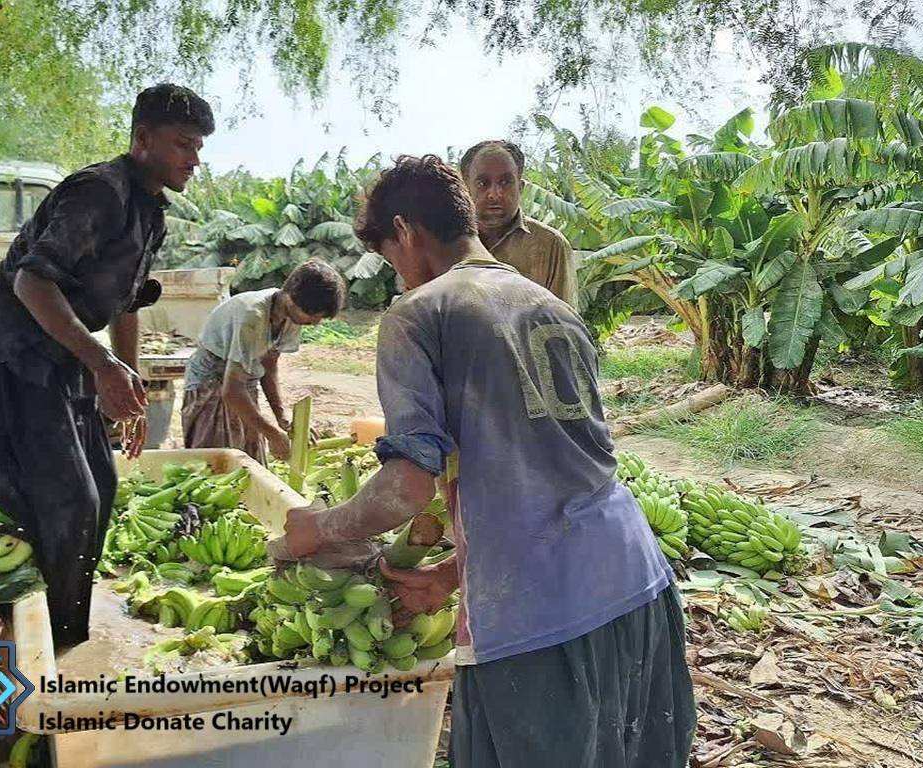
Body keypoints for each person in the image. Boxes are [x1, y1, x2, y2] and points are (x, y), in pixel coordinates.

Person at [272, 156, 694, 767]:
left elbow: (405, 489)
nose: (398, 275)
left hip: (542, 621)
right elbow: (555, 469)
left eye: (391, 256)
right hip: (638, 586)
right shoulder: (552, 307)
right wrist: (453, 573)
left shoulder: (418, 315)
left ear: (407, 231)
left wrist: (321, 527)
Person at [0, 84, 214, 647]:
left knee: (100, 487)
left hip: (65, 356)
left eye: (198, 147)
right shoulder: (99, 192)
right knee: (63, 499)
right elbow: (32, 281)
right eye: (183, 145)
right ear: (143, 138)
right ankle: (43, 639)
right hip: (16, 355)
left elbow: (127, 303)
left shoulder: (150, 212)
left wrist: (126, 383)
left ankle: (69, 630)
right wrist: (102, 365)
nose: (194, 160)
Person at [181, 260, 346, 463]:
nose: (315, 323)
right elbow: (231, 390)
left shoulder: (290, 316)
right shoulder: (252, 317)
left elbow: (269, 366)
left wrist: (281, 417)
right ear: (291, 298)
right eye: (312, 315)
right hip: (211, 385)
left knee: (250, 460)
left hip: (242, 383)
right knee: (216, 463)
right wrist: (273, 434)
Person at [459, 140, 578, 306]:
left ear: (520, 187)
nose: (495, 194)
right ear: (465, 189)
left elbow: (562, 323)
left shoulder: (550, 245)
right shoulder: (442, 241)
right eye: (482, 183)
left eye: (505, 182)